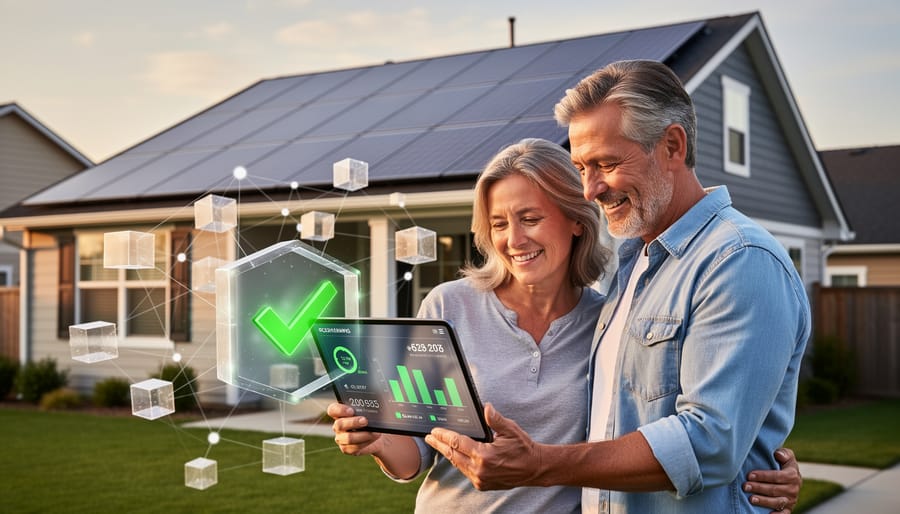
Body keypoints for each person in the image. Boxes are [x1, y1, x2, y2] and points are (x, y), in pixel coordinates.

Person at [330, 138, 801, 512]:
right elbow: (418, 451)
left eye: (530, 218)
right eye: (498, 224)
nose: (513, 240)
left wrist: (760, 466)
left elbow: (670, 418)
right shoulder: (449, 307)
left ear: (576, 221)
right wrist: (379, 441)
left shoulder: (610, 321)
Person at [424, 60, 810, 514]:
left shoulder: (739, 260)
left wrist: (541, 465)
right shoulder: (633, 269)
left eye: (606, 163)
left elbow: (709, 442)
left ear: (671, 145)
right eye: (581, 167)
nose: (589, 189)